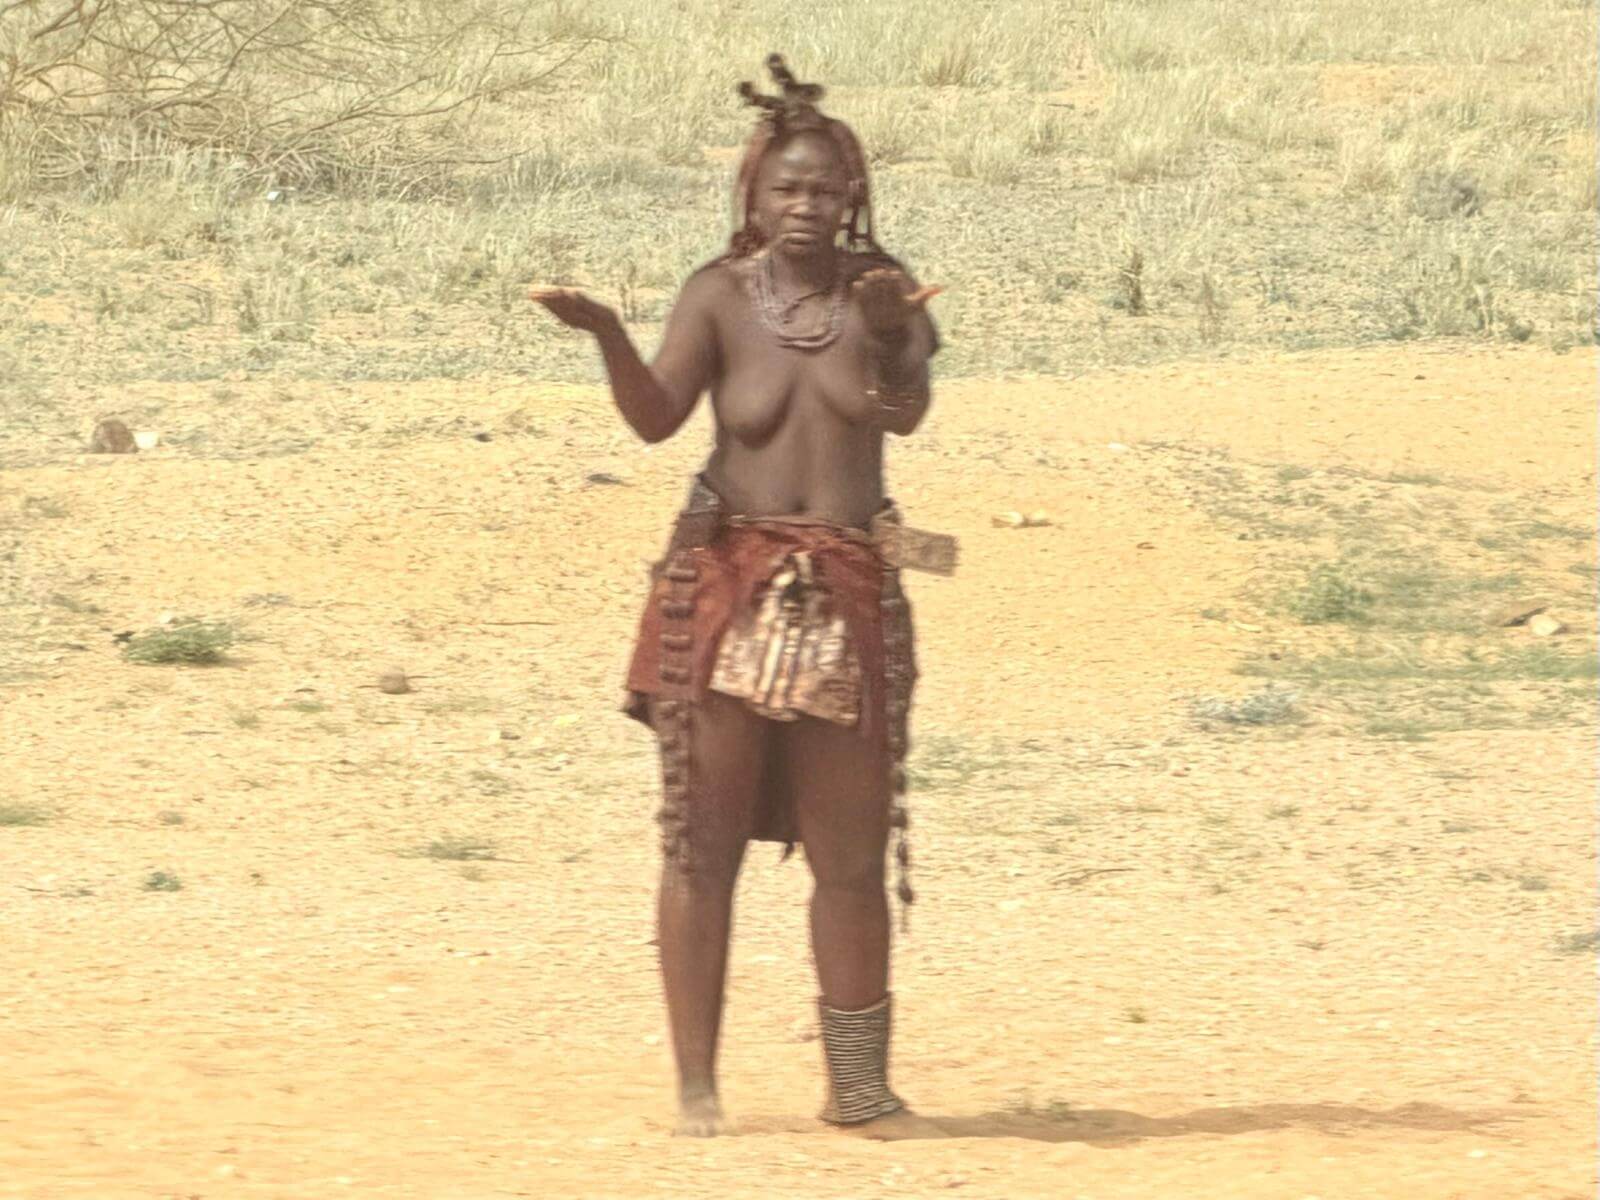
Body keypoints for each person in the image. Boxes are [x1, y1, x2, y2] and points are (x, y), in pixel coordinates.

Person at [531, 54, 954, 1139]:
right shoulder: (718, 296)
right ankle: (697, 1088)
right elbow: (655, 420)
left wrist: (892, 334)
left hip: (847, 589)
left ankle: (858, 1089)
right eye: (786, 188)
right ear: (753, 195)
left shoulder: (884, 289)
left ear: (852, 194)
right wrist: (607, 333)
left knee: (849, 856)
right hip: (722, 583)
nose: (805, 205)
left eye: (824, 189)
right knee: (699, 843)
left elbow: (903, 414)